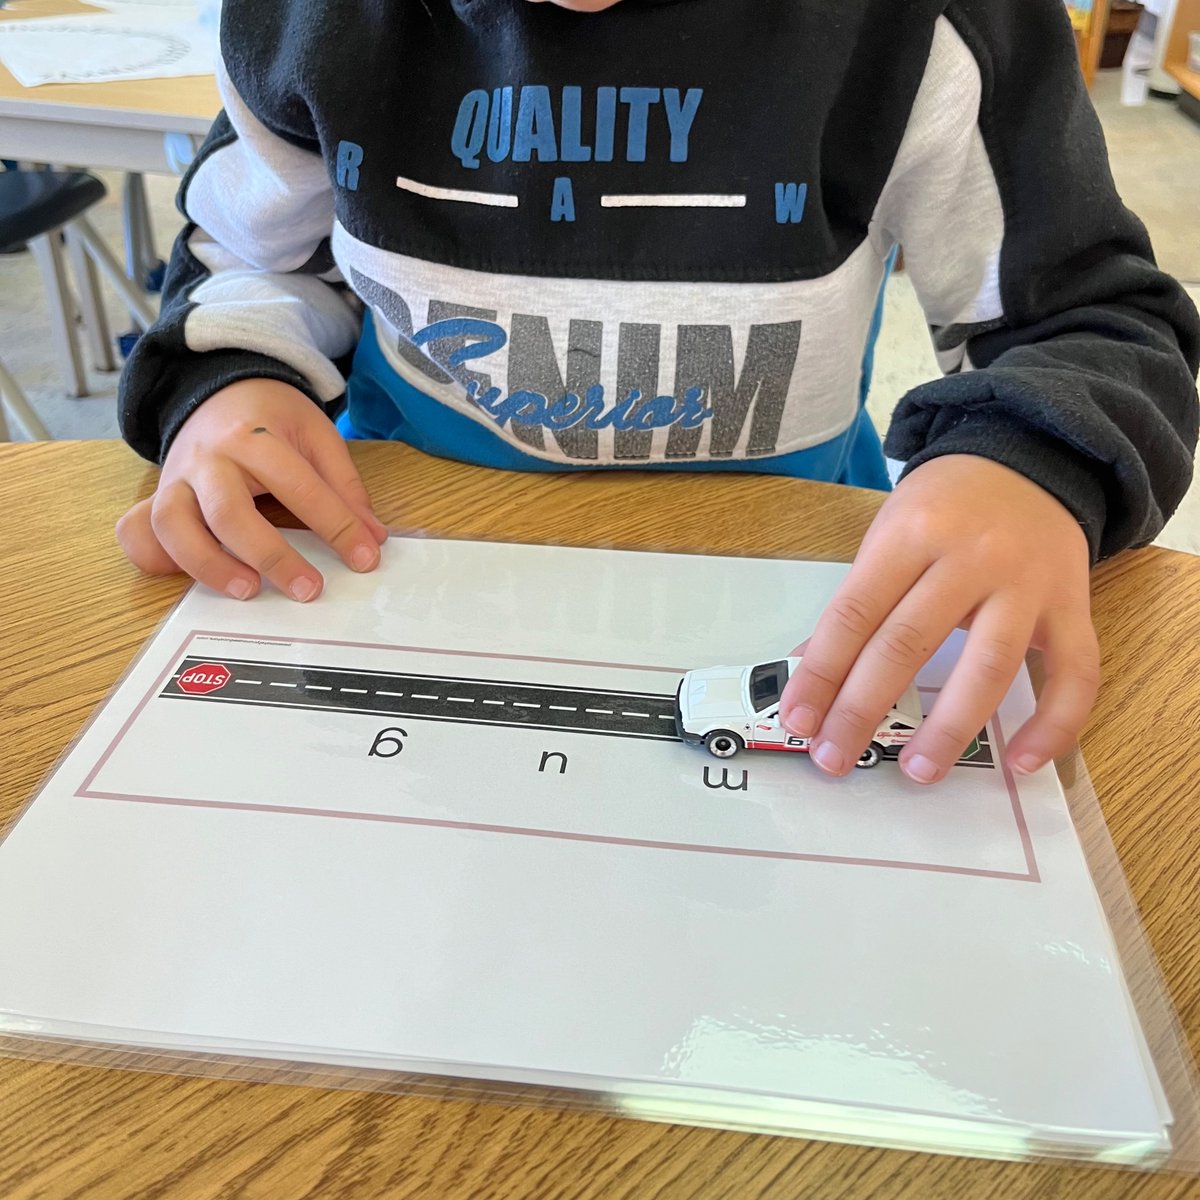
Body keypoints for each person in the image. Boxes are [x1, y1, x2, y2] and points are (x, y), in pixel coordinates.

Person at [115, 0, 1200, 786]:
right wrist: (230, 378)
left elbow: (1089, 320)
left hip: (788, 593)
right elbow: (248, 261)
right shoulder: (306, 20)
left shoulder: (927, 28)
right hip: (397, 577)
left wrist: (1031, 468)